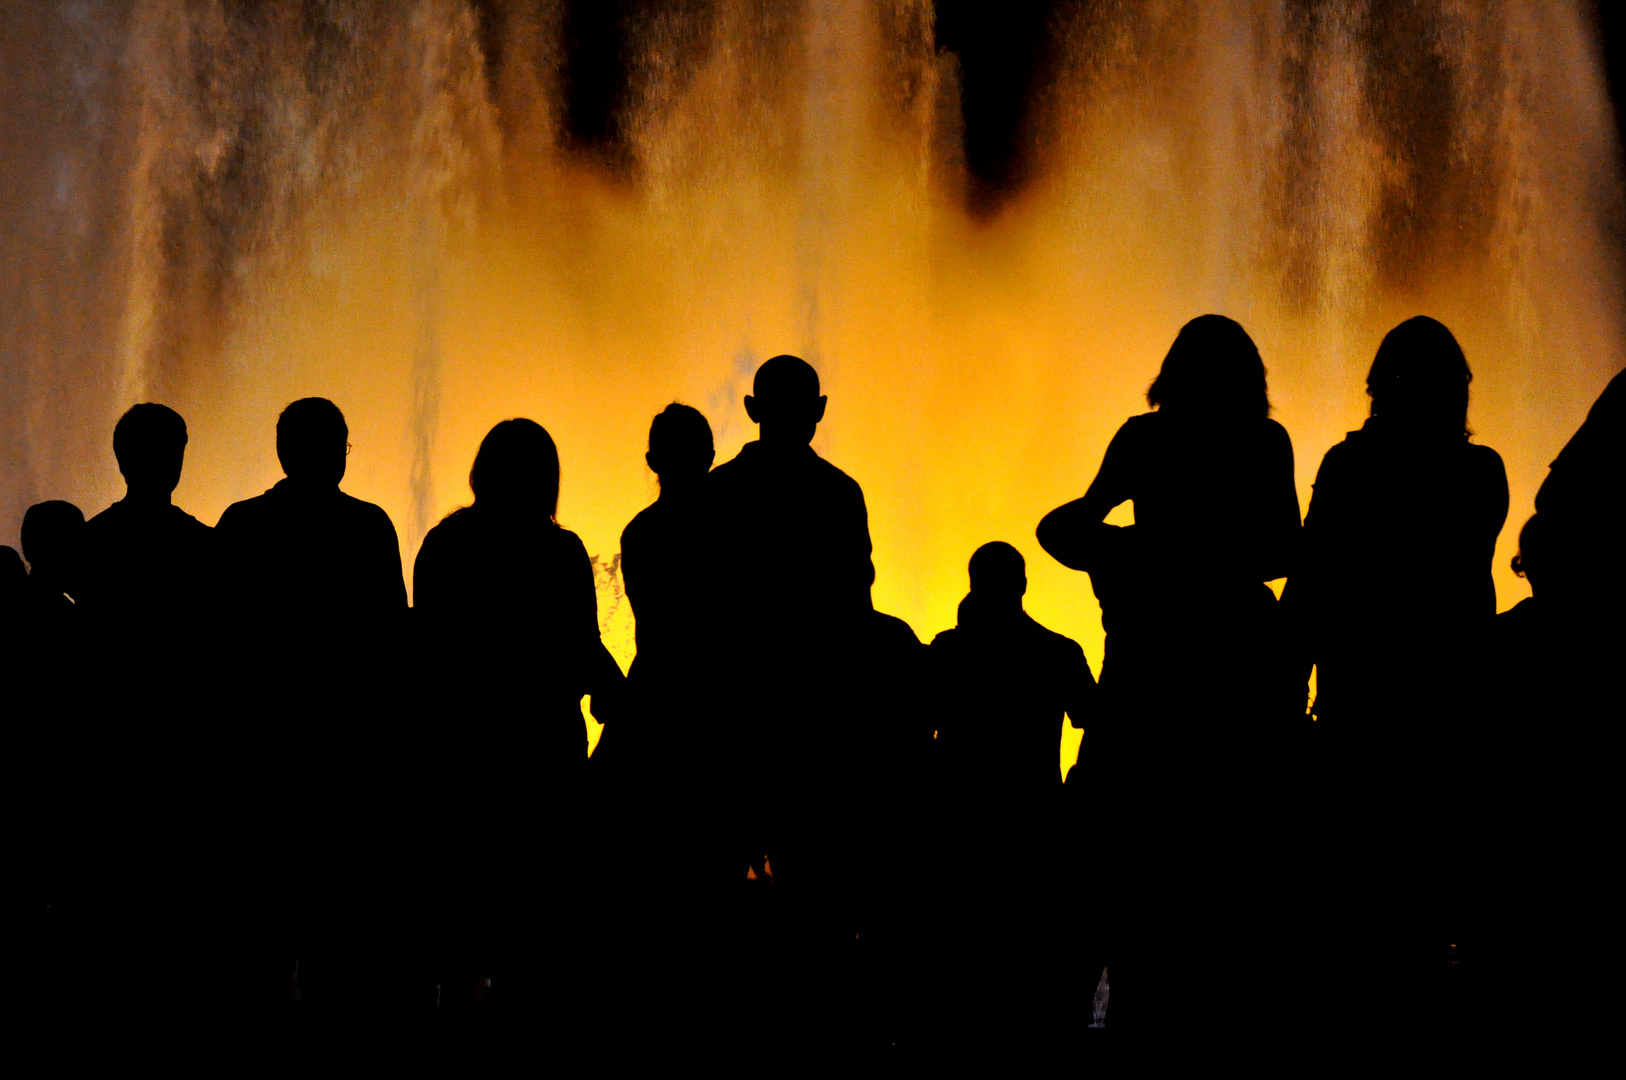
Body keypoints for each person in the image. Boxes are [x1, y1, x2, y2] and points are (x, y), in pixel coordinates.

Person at [1036, 314, 1301, 1042]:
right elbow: (1285, 547)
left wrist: (1127, 551)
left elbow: (1066, 525)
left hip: (1142, 681)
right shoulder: (1263, 441)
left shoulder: (1142, 438)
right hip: (1226, 686)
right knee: (1211, 866)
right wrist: (1212, 563)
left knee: (1107, 864)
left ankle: (1076, 1025)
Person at [1285, 315, 1508, 1047]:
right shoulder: (1482, 474)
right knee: (1436, 919)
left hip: (1362, 719)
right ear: (1459, 392)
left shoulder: (1350, 469)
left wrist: (1284, 698)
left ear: (1379, 387)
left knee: (1358, 920)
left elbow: (1310, 591)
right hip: (1453, 723)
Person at [413, 418, 622, 1034]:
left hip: (462, 746)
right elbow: (584, 643)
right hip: (543, 747)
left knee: (460, 883)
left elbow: (428, 645)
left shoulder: (446, 543)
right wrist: (620, 696)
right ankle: (528, 1018)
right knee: (538, 895)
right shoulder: (558, 551)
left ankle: (452, 1004)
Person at [213, 398, 411, 1023]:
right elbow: (392, 645)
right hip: (346, 761)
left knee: (262, 935)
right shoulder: (369, 527)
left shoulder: (240, 526)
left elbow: (218, 645)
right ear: (338, 453)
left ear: (281, 450)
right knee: (338, 938)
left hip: (262, 757)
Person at [701, 354, 875, 1055]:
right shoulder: (839, 494)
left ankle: (719, 1024)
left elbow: (700, 610)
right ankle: (818, 1030)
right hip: (813, 721)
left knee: (714, 883)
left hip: (732, 718)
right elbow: (854, 606)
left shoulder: (717, 494)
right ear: (820, 410)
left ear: (750, 408)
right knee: (817, 892)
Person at [925, 542, 1094, 1052]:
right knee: (1029, 966)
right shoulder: (1058, 651)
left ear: (973, 584)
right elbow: (1097, 717)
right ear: (1023, 584)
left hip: (961, 829)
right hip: (1036, 825)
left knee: (964, 971)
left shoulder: (949, 651)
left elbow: (916, 727)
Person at [77, 403, 214, 632]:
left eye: (172, 451)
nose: (167, 462)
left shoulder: (88, 540)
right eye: (159, 451)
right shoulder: (205, 543)